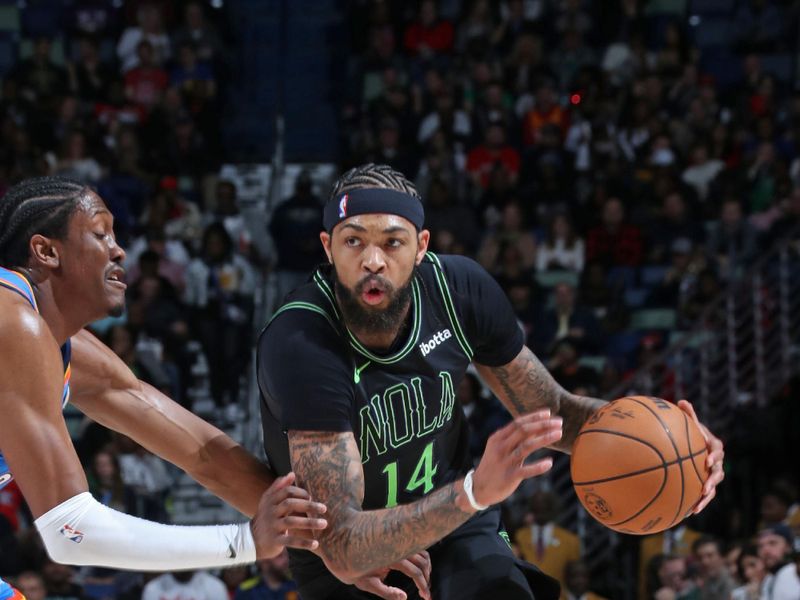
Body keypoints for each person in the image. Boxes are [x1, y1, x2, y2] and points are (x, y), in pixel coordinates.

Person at [257, 163, 725, 600]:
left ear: (421, 246)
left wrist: (672, 440)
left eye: (392, 242)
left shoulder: (459, 291)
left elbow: (552, 412)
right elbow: (341, 544)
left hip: (452, 516)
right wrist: (476, 490)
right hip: (348, 556)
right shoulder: (302, 342)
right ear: (327, 247)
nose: (373, 260)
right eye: (353, 241)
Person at [0, 176, 420, 600]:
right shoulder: (11, 321)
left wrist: (339, 539)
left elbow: (202, 453)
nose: (119, 249)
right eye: (100, 234)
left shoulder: (56, 343)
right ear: (46, 251)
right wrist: (245, 541)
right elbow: (71, 531)